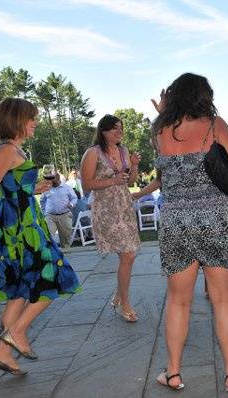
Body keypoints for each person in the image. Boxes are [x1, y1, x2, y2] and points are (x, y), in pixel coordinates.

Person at [134, 73, 228, 393]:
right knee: (224, 300)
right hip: (217, 221)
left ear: (173, 96)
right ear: (203, 96)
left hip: (177, 222)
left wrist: (163, 111)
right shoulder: (215, 124)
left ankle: (173, 373)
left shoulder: (159, 130)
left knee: (178, 302)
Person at [0, 97, 80, 376]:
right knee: (53, 275)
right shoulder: (5, 150)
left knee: (18, 291)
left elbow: (13, 188)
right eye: (31, 118)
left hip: (22, 219)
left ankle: (3, 354)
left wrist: (37, 187)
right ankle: (17, 332)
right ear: (17, 120)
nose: (35, 122)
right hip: (15, 227)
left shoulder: (13, 149)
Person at [81, 114, 142, 322]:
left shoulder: (124, 151)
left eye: (121, 128)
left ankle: (119, 294)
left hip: (124, 205)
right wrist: (112, 180)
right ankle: (125, 303)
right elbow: (86, 185)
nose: (119, 131)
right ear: (103, 131)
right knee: (128, 255)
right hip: (106, 210)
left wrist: (133, 165)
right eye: (114, 128)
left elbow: (129, 181)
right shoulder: (92, 153)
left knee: (129, 254)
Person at [40, 172, 78, 248]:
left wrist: (71, 204)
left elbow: (74, 198)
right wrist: (44, 212)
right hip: (50, 216)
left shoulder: (67, 187)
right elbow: (42, 200)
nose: (51, 183)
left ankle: (67, 255)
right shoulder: (47, 188)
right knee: (48, 235)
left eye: (53, 181)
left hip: (65, 215)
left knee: (65, 238)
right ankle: (51, 254)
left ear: (58, 178)